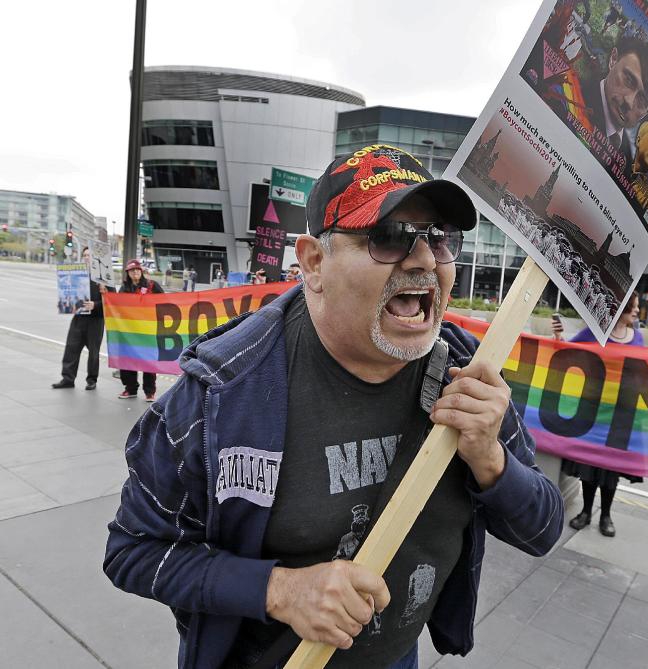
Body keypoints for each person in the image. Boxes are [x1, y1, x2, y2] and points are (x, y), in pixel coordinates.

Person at [104, 145, 563, 669]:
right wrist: (279, 590)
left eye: (438, 239)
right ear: (314, 262)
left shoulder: (469, 374)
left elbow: (543, 529)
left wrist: (491, 461)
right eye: (389, 237)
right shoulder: (221, 394)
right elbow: (132, 551)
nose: (423, 260)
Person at [552, 292, 643, 538]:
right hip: (593, 411)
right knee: (590, 466)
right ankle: (586, 511)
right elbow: (569, 351)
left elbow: (646, 369)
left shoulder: (638, 337)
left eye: (636, 308)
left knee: (611, 470)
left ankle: (606, 515)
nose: (636, 312)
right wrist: (558, 337)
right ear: (618, 311)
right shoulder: (595, 334)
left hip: (621, 415)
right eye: (632, 308)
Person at [581, 34, 648, 181]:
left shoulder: (627, 166)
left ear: (647, 113)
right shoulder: (572, 92)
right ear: (613, 59)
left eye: (642, 100)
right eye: (629, 80)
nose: (629, 102)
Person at [52, 247, 105, 391]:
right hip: (79, 318)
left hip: (95, 320)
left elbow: (112, 302)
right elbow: (68, 293)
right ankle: (68, 379)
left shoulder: (103, 278)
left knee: (93, 352)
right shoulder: (75, 274)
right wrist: (65, 302)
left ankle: (91, 380)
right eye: (85, 255)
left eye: (90, 255)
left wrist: (96, 305)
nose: (87, 258)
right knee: (71, 348)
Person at [117, 259, 164, 401]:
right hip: (128, 332)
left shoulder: (152, 285)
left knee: (148, 361)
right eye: (132, 270)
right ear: (128, 273)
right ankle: (130, 389)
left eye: (137, 269)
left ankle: (149, 392)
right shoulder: (124, 288)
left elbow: (165, 301)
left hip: (148, 331)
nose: (135, 272)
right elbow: (117, 306)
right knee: (127, 361)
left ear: (141, 271)